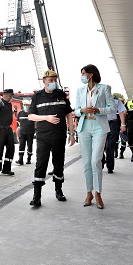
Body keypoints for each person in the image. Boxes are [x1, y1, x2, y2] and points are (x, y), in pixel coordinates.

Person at [28, 70, 75, 207]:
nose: (54, 82)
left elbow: (68, 116)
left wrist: (71, 134)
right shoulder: (37, 97)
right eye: (51, 80)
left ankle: (58, 190)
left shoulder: (61, 95)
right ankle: (37, 196)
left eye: (55, 80)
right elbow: (31, 116)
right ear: (44, 81)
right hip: (43, 137)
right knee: (41, 165)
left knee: (59, 164)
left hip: (59, 136)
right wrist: (46, 118)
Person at [75, 64, 116, 209]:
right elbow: (76, 110)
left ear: (91, 74)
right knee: (86, 163)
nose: (82, 76)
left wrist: (99, 109)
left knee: (95, 161)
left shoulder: (105, 88)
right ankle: (89, 193)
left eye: (83, 73)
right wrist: (82, 110)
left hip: (99, 127)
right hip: (84, 127)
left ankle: (98, 193)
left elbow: (113, 108)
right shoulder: (80, 90)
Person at [0, 89, 16, 176]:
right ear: (9, 95)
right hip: (1, 129)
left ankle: (6, 169)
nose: (12, 97)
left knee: (11, 149)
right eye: (11, 95)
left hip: (8, 129)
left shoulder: (9, 104)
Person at [101, 94, 127, 173]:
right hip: (101, 123)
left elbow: (121, 112)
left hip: (113, 124)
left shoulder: (116, 100)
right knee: (101, 145)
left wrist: (123, 124)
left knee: (110, 146)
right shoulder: (99, 99)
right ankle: (101, 161)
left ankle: (110, 167)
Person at [15, 99, 35, 165]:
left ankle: (28, 159)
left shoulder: (32, 113)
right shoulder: (20, 113)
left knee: (29, 146)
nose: (26, 106)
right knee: (21, 146)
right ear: (23, 105)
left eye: (27, 105)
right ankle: (20, 160)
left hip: (30, 132)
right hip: (22, 132)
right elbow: (18, 122)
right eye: (25, 105)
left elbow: (36, 122)